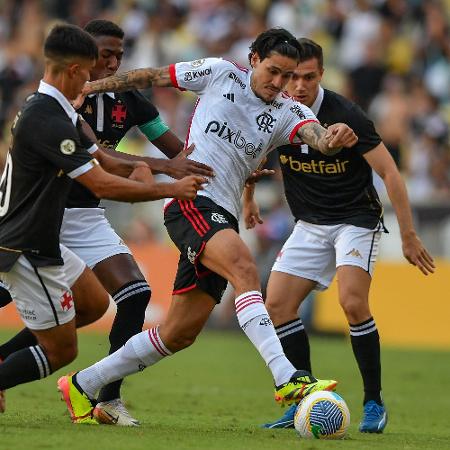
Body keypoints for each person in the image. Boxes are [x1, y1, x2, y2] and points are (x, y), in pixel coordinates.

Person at [57, 28, 358, 425]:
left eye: (287, 75)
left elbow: (318, 138)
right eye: (273, 71)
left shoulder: (290, 111)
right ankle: (288, 378)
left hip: (224, 214)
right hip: (191, 201)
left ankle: (81, 383)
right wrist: (94, 85)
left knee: (178, 333)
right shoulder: (219, 73)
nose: (280, 82)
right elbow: (151, 76)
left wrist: (336, 136)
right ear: (253, 60)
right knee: (244, 268)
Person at [0, 19, 215, 427]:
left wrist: (218, 165)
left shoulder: (92, 105)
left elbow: (112, 159)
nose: (113, 63)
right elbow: (102, 173)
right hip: (35, 228)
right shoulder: (53, 114)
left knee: (106, 301)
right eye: (103, 56)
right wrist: (168, 184)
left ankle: (107, 397)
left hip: (66, 223)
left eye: (119, 54)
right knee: (60, 345)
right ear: (77, 66)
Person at [242, 38, 435, 433]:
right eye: (292, 77)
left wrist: (409, 235)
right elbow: (254, 154)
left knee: (351, 302)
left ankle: (374, 403)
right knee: (276, 305)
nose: (297, 86)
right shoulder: (277, 109)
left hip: (355, 220)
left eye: (308, 78)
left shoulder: (347, 115)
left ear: (322, 75)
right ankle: (304, 397)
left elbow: (390, 173)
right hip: (309, 224)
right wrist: (248, 199)